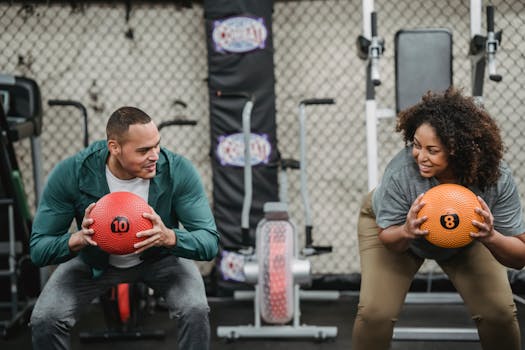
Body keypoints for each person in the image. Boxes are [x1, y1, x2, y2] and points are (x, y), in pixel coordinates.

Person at [29, 106, 219, 350]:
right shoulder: (72, 173)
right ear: (114, 148)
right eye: (143, 150)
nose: (155, 156)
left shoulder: (177, 170)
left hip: (160, 259)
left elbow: (209, 242)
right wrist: (76, 240)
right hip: (94, 262)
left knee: (195, 308)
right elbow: (38, 249)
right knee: (45, 319)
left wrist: (169, 237)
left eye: (156, 145)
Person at [351, 87, 525, 350]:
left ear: (457, 150)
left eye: (432, 150)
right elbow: (389, 238)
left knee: (499, 314)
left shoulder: (493, 177)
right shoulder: (402, 173)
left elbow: (520, 256)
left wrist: (491, 237)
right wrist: (407, 232)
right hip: (398, 232)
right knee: (375, 314)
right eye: (417, 145)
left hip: (468, 239)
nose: (420, 156)